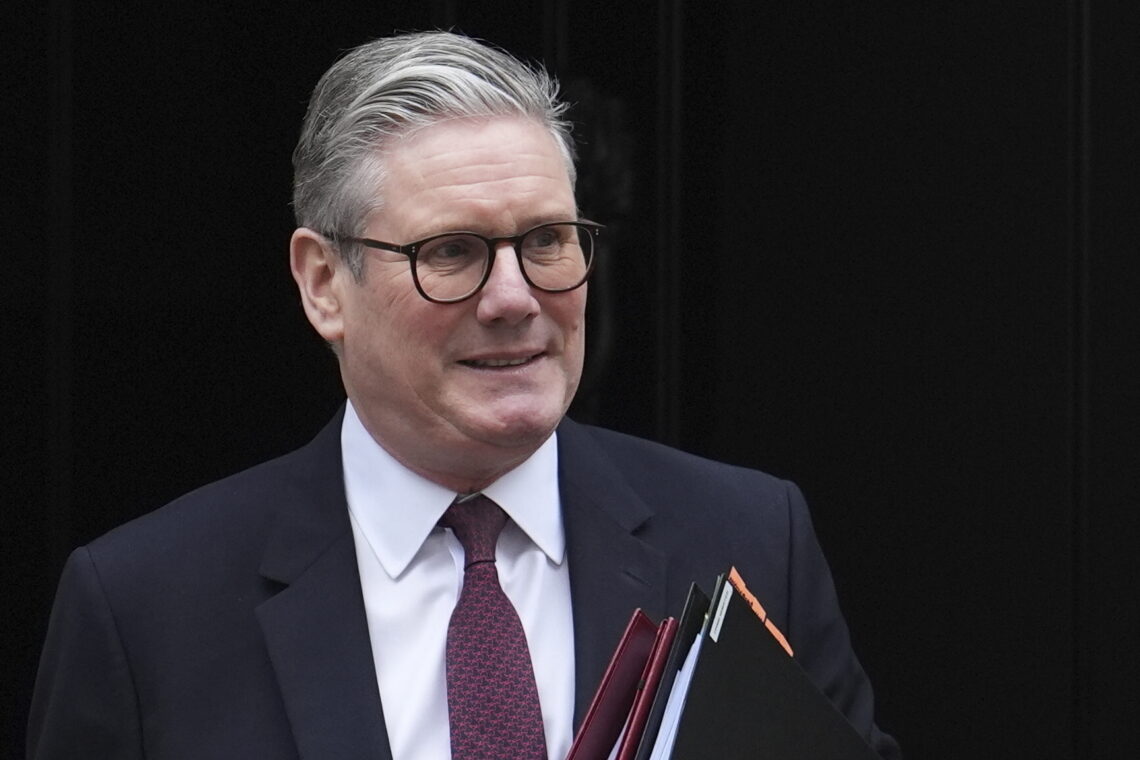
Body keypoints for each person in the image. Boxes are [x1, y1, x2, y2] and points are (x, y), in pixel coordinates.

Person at [28, 31, 900, 760]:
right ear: (324, 283)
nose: (514, 298)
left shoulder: (749, 539)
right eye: (450, 252)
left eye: (547, 240)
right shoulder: (148, 608)